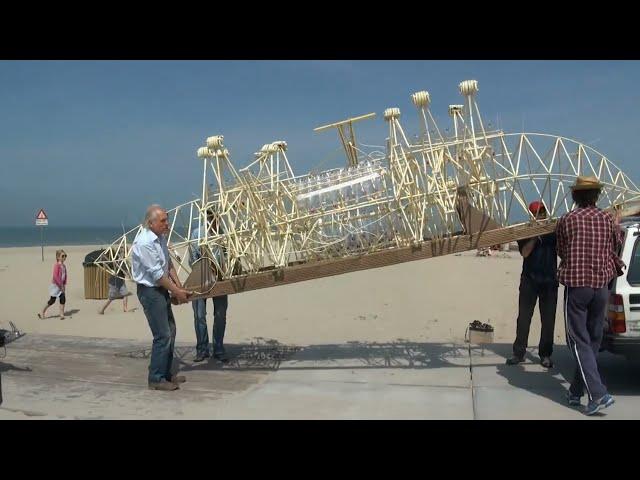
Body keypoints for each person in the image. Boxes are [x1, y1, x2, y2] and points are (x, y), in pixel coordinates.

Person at [557, 175, 624, 415]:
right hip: (601, 287)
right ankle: (576, 391)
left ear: (575, 195)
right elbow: (615, 245)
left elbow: (562, 249)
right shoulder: (607, 219)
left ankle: (597, 393)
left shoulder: (567, 220)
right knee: (593, 339)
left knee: (578, 340)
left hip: (578, 287)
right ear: (596, 195)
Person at [131, 205, 191, 391]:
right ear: (151, 223)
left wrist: (179, 286)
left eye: (167, 219)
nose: (167, 223)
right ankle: (155, 378)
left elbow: (168, 263)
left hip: (161, 289)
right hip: (150, 291)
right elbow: (157, 275)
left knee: (171, 330)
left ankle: (165, 373)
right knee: (162, 334)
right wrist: (177, 292)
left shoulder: (160, 237)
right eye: (163, 221)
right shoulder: (145, 243)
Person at [506, 201, 558, 368]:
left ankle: (545, 354)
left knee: (548, 320)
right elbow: (525, 253)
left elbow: (563, 250)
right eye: (537, 214)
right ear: (531, 215)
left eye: (542, 213)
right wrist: (535, 235)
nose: (540, 216)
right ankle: (518, 352)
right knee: (524, 318)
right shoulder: (526, 232)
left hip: (549, 281)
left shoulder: (554, 232)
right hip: (529, 280)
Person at [190, 209, 229, 363]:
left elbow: (228, 256)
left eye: (217, 218)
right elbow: (193, 258)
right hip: (200, 278)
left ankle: (218, 348)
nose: (214, 221)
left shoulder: (223, 233)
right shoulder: (196, 233)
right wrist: (203, 271)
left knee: (220, 315)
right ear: (206, 217)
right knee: (199, 315)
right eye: (211, 217)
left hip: (220, 279)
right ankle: (202, 349)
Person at [38, 249, 68, 320]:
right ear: (58, 257)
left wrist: (64, 284)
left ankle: (61, 314)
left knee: (63, 298)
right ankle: (42, 311)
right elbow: (55, 276)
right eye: (63, 256)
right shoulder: (56, 265)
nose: (64, 257)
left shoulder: (64, 266)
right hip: (56, 286)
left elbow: (65, 275)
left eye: (65, 256)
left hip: (61, 286)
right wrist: (60, 285)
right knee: (52, 300)